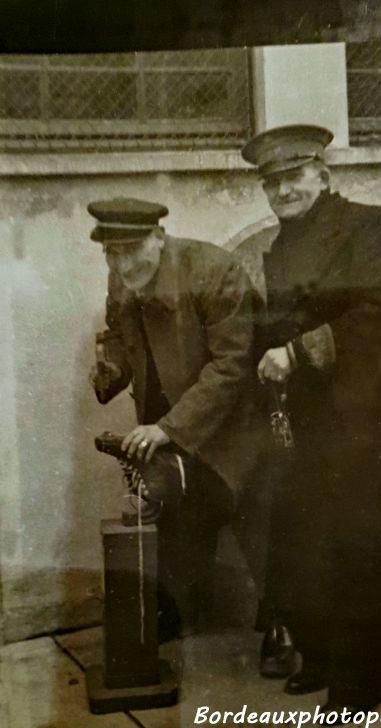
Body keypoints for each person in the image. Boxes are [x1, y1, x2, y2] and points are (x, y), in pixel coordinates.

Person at [241, 125, 381, 712]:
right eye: (272, 183)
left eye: (294, 176)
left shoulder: (373, 225)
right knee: (308, 545)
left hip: (360, 423)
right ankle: (321, 659)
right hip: (304, 422)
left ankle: (360, 685)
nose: (283, 190)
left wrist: (296, 352)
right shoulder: (280, 248)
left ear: (323, 175)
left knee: (359, 551)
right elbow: (279, 326)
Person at [88, 197, 264, 636]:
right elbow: (117, 333)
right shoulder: (122, 276)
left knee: (256, 521)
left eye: (132, 248)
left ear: (160, 238)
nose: (122, 263)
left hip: (235, 422)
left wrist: (168, 429)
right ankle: (176, 618)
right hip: (169, 422)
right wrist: (111, 368)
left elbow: (231, 365)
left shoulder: (213, 270)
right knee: (175, 519)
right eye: (112, 251)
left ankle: (279, 625)